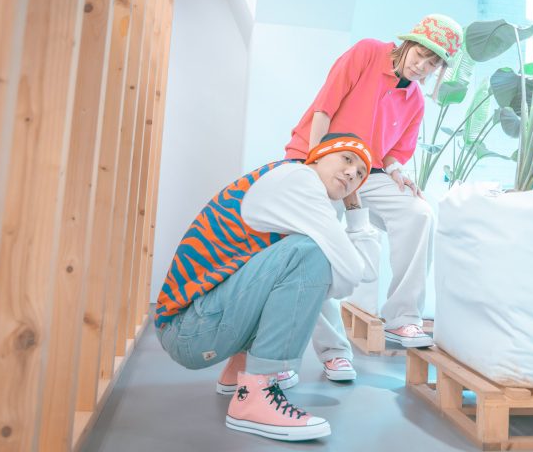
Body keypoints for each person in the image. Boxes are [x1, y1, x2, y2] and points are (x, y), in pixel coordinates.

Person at [155, 133, 380, 442]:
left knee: (305, 254)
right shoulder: (300, 181)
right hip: (188, 330)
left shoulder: (291, 179)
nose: (352, 172)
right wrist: (321, 279)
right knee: (310, 251)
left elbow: (363, 272)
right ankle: (255, 395)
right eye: (347, 158)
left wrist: (354, 209)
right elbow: (354, 272)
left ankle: (240, 369)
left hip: (192, 322)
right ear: (318, 155)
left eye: (361, 173)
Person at [284, 14, 464, 380]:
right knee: (316, 252)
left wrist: (399, 173)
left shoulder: (415, 100)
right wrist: (314, 164)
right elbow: (324, 109)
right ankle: (334, 352)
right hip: (318, 160)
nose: (422, 66)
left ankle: (403, 317)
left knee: (418, 213)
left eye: (432, 63)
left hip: (367, 173)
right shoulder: (367, 53)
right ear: (409, 43)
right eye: (421, 54)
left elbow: (394, 153)